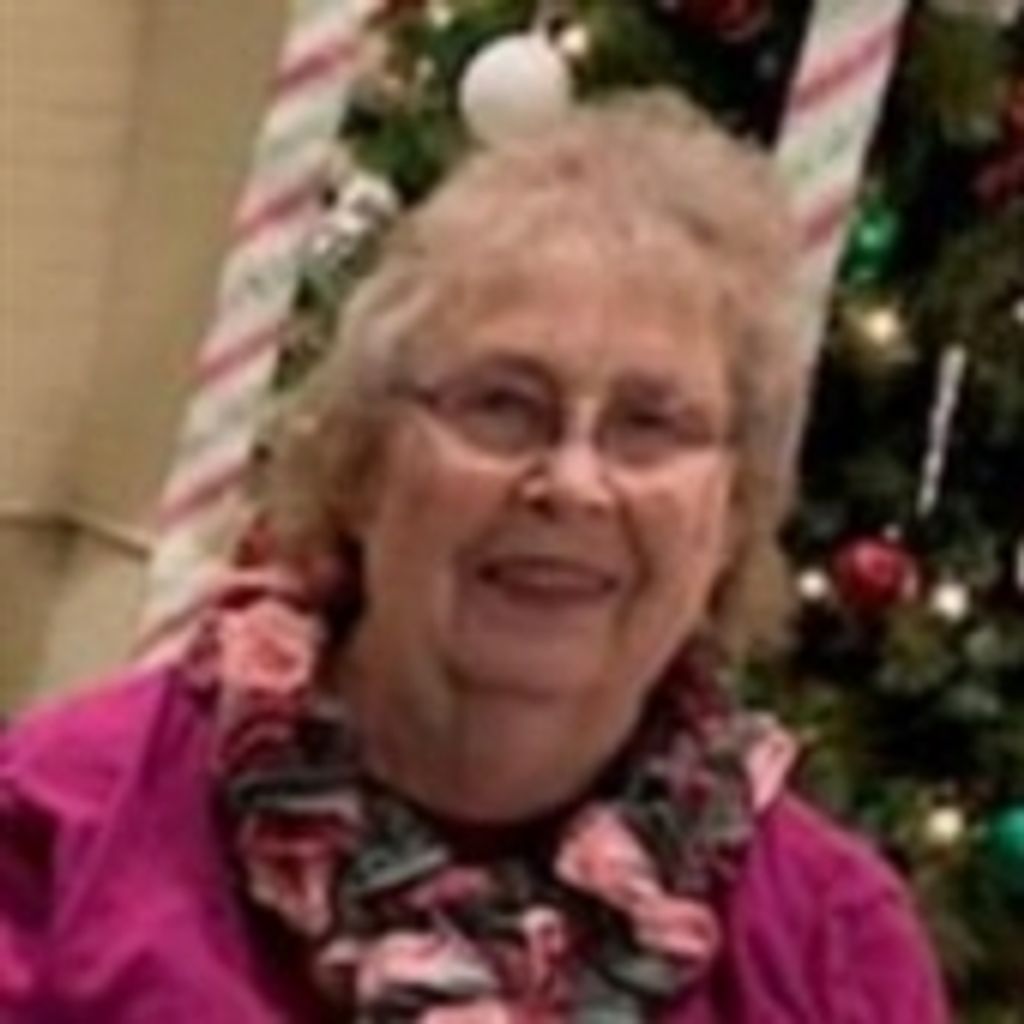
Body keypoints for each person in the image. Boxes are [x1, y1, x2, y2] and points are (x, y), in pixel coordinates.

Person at [0, 91, 949, 1023]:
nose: (574, 484)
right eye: (503, 404)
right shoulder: (60, 823)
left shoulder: (832, 950)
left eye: (650, 424)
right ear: (364, 462)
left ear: (732, 513)